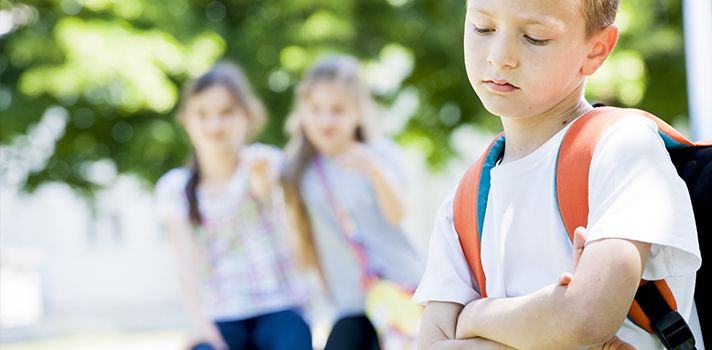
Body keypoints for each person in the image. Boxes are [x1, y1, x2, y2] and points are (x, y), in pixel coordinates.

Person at [413, 0, 703, 349]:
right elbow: (431, 344)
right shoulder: (464, 202)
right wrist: (552, 323)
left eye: (534, 37)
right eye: (482, 28)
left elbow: (586, 317)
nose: (500, 56)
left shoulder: (621, 148)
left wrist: (475, 316)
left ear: (595, 51)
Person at [154, 63, 312, 350]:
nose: (215, 125)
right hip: (222, 314)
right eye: (202, 114)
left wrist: (260, 172)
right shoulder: (175, 187)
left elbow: (264, 186)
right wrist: (200, 325)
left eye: (226, 112)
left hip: (280, 306)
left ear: (246, 117)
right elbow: (185, 262)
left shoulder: (262, 161)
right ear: (187, 120)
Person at [282, 54, 425, 350]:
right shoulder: (301, 171)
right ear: (302, 111)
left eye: (337, 110)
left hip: (402, 291)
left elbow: (398, 214)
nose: (325, 120)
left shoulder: (380, 153)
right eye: (316, 109)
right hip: (351, 303)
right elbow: (309, 239)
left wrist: (375, 170)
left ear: (358, 111)